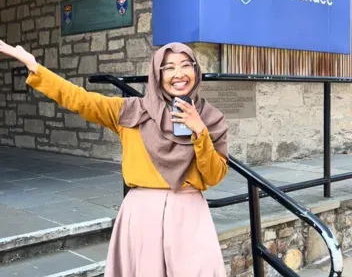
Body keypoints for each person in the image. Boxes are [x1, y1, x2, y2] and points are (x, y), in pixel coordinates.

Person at [0, 39, 229, 276]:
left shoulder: (212, 118)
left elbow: (214, 176)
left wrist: (200, 131)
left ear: (196, 70)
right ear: (157, 74)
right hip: (141, 215)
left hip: (189, 215)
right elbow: (79, 98)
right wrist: (34, 67)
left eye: (185, 65)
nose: (178, 74)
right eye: (168, 67)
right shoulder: (130, 111)